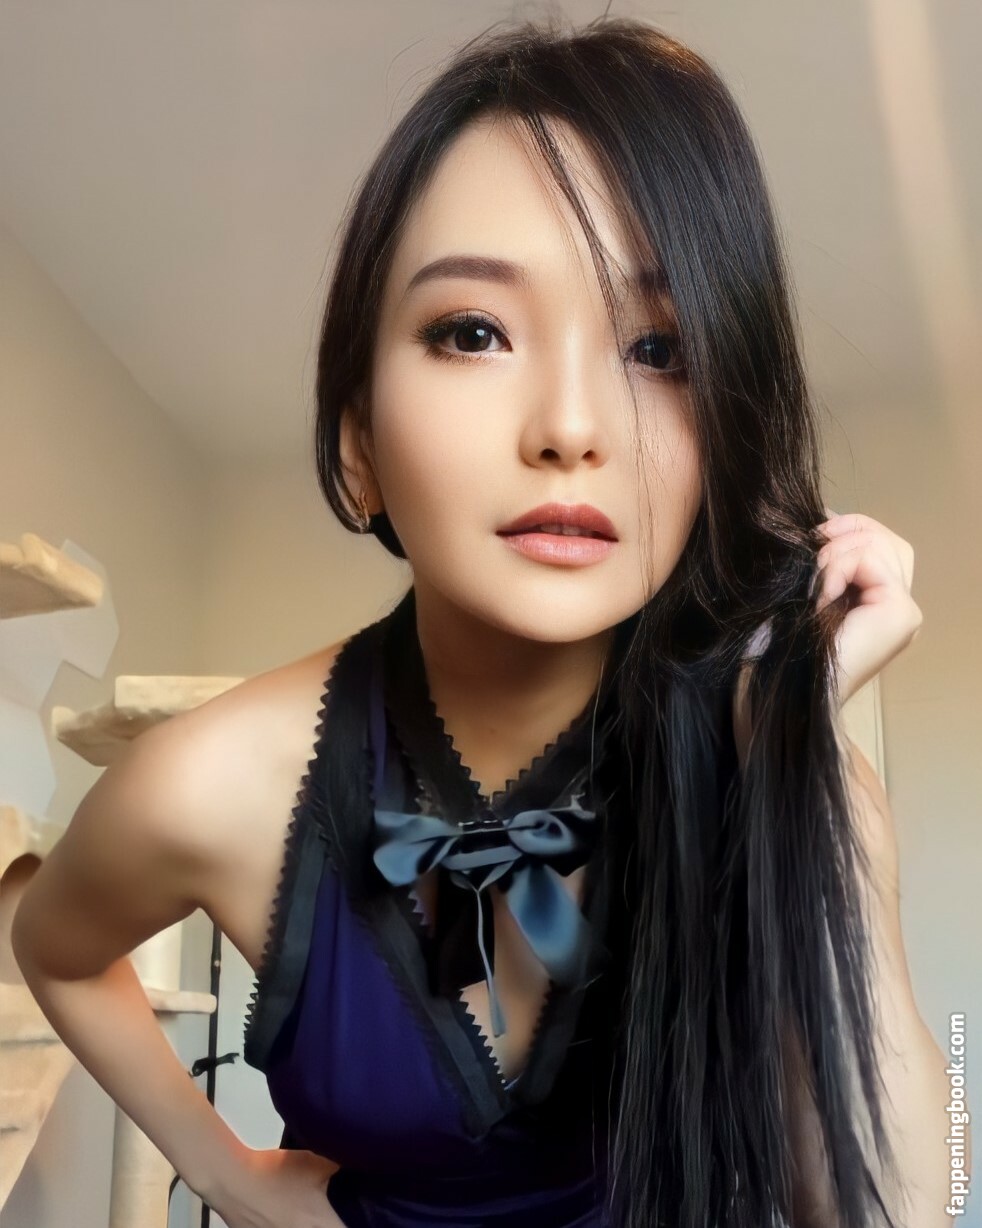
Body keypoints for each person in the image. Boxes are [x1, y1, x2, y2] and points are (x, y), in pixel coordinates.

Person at [11, 14, 955, 1228]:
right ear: (358, 443)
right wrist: (224, 1171)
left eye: (657, 348)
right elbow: (55, 946)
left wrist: (802, 766)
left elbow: (902, 1209)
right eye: (473, 332)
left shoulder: (763, 759)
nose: (570, 425)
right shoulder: (210, 783)